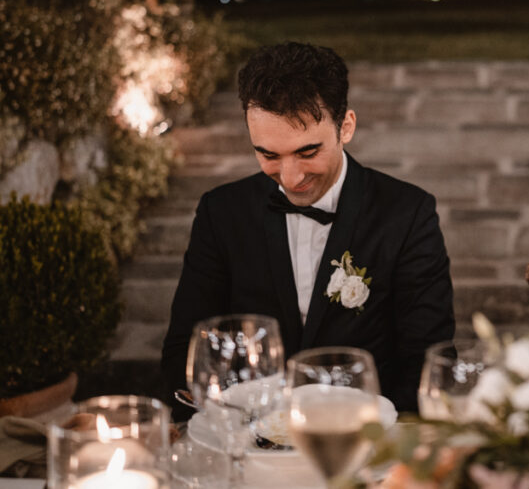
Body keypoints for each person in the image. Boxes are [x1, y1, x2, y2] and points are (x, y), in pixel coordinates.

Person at [161, 42, 455, 417]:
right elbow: (184, 352)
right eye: (269, 155)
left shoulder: (407, 213)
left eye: (307, 152)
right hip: (248, 435)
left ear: (345, 126)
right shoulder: (222, 213)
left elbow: (428, 361)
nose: (290, 177)